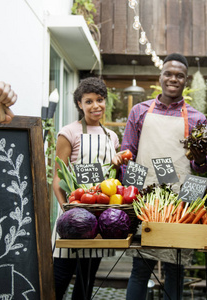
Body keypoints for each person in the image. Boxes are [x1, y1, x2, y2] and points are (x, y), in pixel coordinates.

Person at [120, 53, 207, 300]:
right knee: (140, 269)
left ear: (186, 81)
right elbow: (127, 156)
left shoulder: (196, 118)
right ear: (160, 77)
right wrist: (130, 196)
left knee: (176, 269)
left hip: (182, 200)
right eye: (169, 74)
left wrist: (202, 158)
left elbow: (201, 169)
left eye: (179, 75)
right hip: (146, 201)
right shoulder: (139, 111)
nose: (174, 79)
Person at [52, 77, 126, 300]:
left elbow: (110, 178)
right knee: (60, 276)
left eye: (100, 100)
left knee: (87, 279)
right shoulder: (69, 132)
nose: (96, 106)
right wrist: (67, 211)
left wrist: (116, 164)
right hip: (72, 213)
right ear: (79, 104)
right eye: (89, 101)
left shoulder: (111, 136)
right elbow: (57, 177)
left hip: (98, 216)